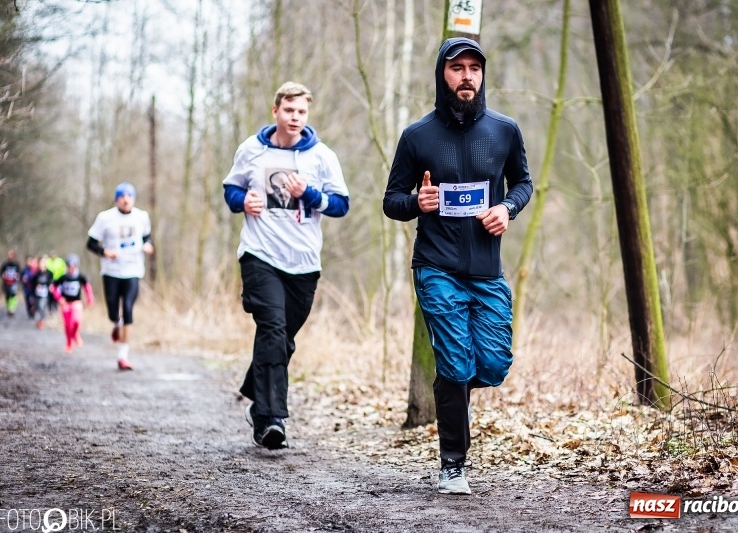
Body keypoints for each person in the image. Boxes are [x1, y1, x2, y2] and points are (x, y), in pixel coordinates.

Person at [383, 38, 533, 495]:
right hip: (437, 266)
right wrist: (418, 201)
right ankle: (453, 464)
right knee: (454, 360)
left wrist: (507, 207)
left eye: (474, 68)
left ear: (482, 75)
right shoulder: (417, 136)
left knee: (492, 364)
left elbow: (523, 183)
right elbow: (392, 201)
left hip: (486, 270)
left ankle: (453, 386)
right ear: (442, 74)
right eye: (457, 68)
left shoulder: (505, 131)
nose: (467, 76)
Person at [222, 81, 350, 450]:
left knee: (280, 339)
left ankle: (256, 389)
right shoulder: (251, 149)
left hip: (304, 262)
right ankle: (270, 418)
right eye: (289, 110)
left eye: (301, 111)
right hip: (260, 254)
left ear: (307, 115)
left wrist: (308, 194)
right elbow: (231, 189)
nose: (295, 117)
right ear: (275, 111)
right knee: (273, 329)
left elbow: (341, 205)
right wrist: (242, 201)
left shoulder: (321, 156)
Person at [86, 182, 154, 370]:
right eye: (122, 196)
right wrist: (104, 252)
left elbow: (146, 237)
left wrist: (148, 245)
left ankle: (123, 356)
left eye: (129, 196)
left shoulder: (142, 216)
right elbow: (90, 243)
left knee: (129, 308)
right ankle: (116, 323)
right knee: (113, 312)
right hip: (112, 271)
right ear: (116, 199)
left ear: (134, 199)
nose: (126, 199)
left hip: (133, 270)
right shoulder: (105, 218)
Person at [51, 254, 94, 353]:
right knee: (67, 325)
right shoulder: (63, 277)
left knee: (77, 321)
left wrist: (90, 299)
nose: (71, 268)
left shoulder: (80, 277)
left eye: (73, 266)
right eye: (69, 266)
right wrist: (59, 298)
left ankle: (75, 334)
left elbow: (87, 287)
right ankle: (69, 343)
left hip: (76, 302)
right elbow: (54, 288)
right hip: (65, 303)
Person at [32, 256, 54, 329]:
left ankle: (41, 321)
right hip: (37, 294)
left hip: (46, 294)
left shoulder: (49, 273)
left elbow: (51, 281)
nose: (42, 264)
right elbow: (33, 283)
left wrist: (50, 286)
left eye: (44, 263)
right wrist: (36, 286)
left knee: (42, 306)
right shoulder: (36, 274)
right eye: (41, 263)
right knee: (38, 307)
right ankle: (39, 320)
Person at [0, 249, 21, 317]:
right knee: (8, 296)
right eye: (9, 255)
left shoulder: (16, 264)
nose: (10, 256)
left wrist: (17, 276)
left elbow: (19, 272)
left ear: (14, 256)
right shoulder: (5, 264)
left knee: (13, 295)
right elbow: (0, 272)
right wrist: (3, 275)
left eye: (11, 255)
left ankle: (12, 308)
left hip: (14, 283)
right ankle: (9, 308)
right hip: (6, 283)